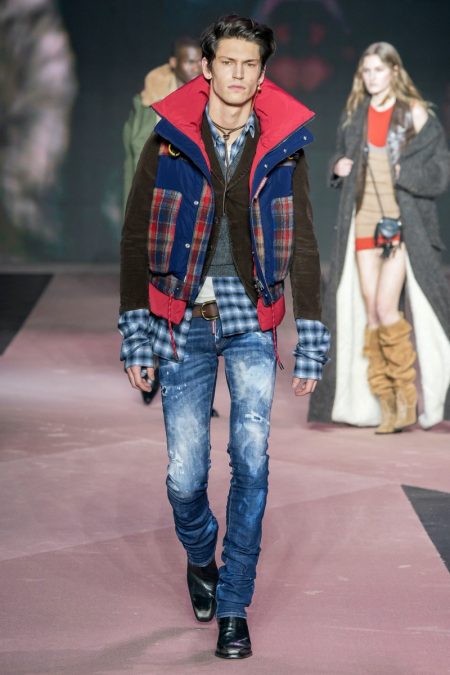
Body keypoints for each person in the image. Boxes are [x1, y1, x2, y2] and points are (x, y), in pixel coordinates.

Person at [119, 14, 329, 659]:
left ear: (262, 75)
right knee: (185, 477)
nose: (238, 74)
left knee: (252, 459)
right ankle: (199, 553)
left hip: (250, 320)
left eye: (250, 64)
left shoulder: (283, 144)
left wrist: (311, 338)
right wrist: (136, 333)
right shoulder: (168, 140)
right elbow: (135, 235)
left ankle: (234, 604)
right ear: (207, 68)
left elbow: (303, 242)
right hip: (180, 319)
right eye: (227, 62)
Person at [308, 42, 450, 433]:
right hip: (364, 221)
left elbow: (440, 172)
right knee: (371, 311)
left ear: (394, 71)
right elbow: (340, 158)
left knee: (388, 308)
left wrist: (406, 172)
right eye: (366, 71)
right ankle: (386, 404)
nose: (372, 78)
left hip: (403, 224)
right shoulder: (357, 113)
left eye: (379, 70)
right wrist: (337, 166)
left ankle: (405, 398)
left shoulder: (415, 113)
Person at [122, 38, 202, 404]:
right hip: (157, 205)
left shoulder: (209, 98)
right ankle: (152, 362)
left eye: (198, 61)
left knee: (191, 291)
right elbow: (138, 153)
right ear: (173, 63)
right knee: (157, 284)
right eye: (187, 61)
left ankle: (193, 383)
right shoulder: (150, 101)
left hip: (192, 207)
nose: (193, 67)